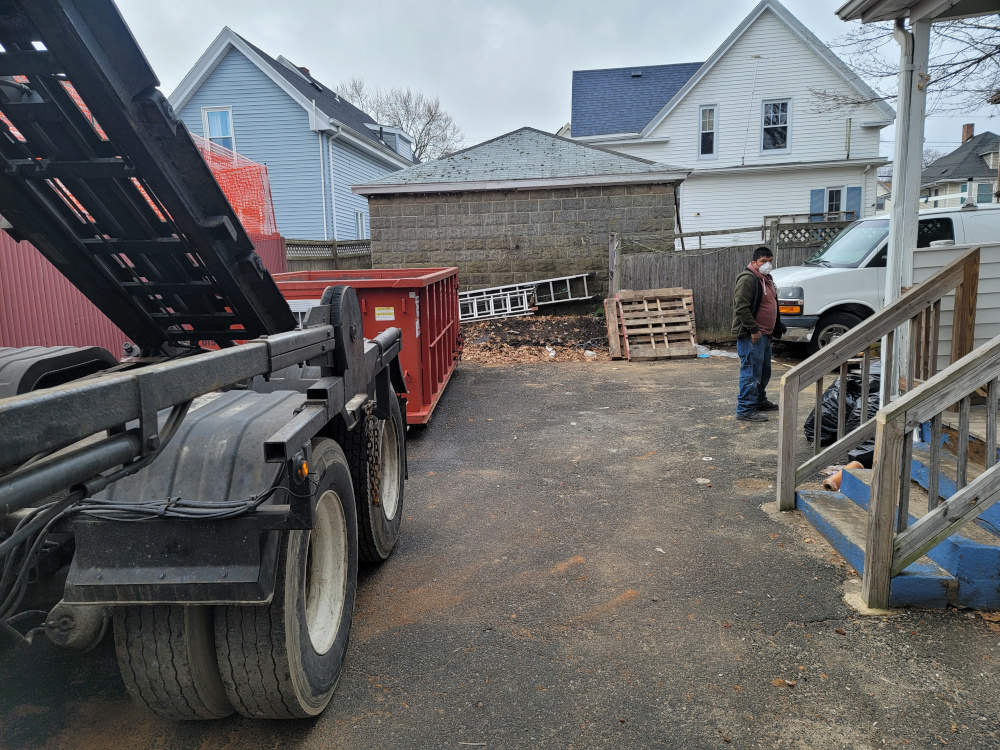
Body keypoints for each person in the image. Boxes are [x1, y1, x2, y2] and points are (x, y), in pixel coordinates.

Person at [732, 247, 786, 422]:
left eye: (769, 260)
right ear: (754, 262)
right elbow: (741, 307)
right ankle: (745, 409)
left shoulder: (767, 279)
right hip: (752, 335)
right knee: (751, 373)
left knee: (764, 372)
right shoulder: (748, 278)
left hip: (765, 335)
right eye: (763, 261)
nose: (767, 264)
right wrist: (754, 330)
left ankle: (759, 401)